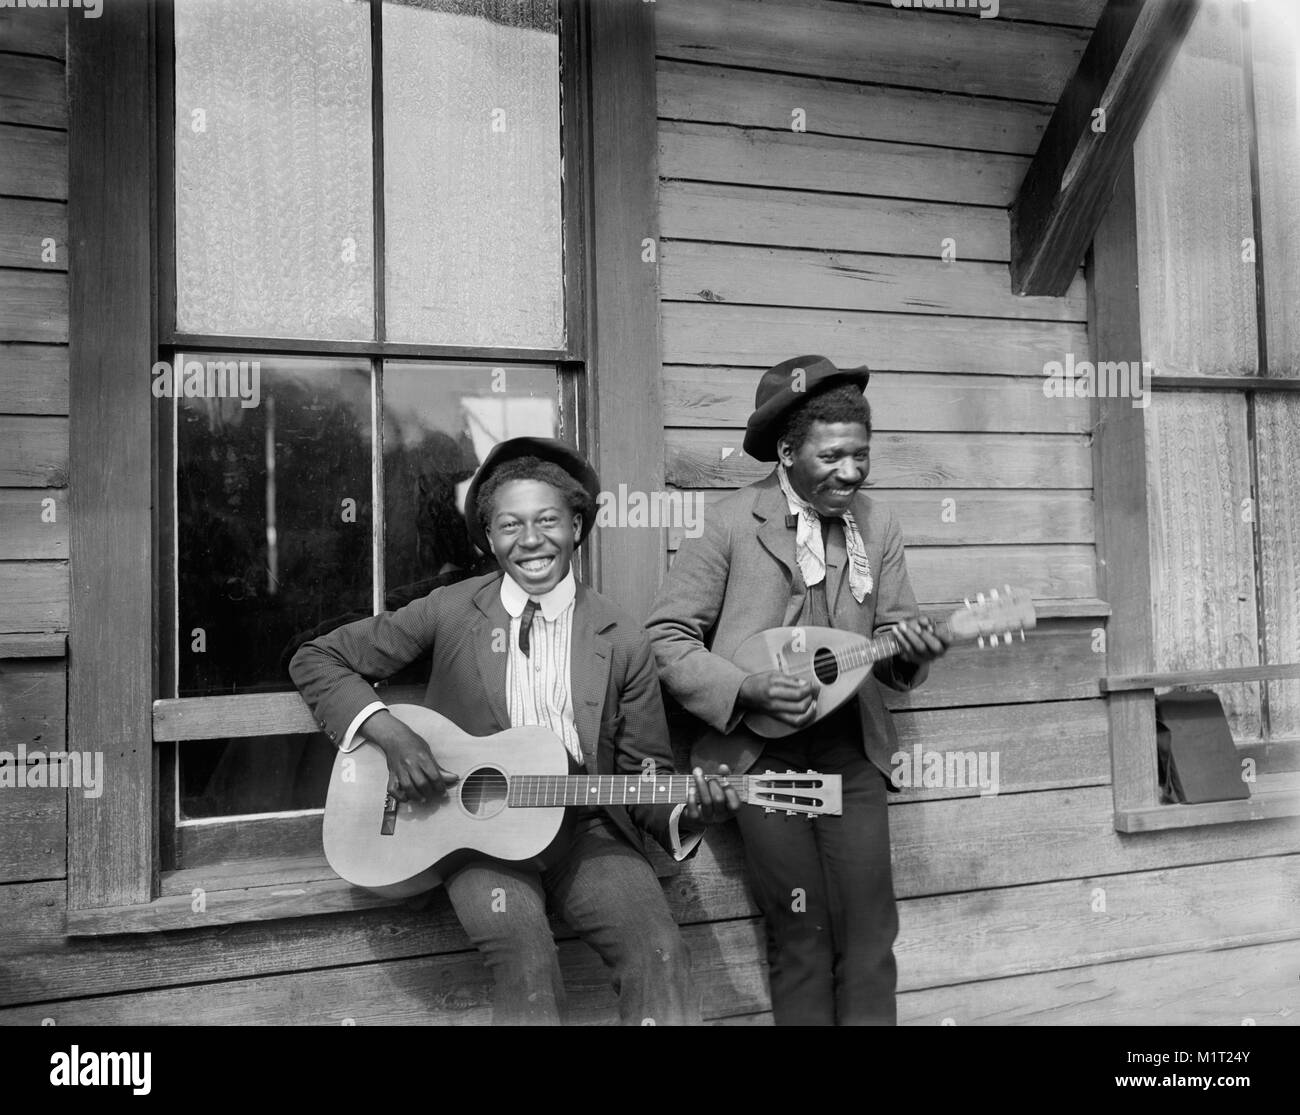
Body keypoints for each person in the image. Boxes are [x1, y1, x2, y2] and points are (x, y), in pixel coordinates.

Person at [291, 437, 738, 1025]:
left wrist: (692, 811)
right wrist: (394, 736)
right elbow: (318, 658)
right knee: (525, 962)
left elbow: (644, 771)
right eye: (510, 525)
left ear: (577, 526)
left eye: (548, 520)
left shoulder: (619, 635)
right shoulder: (450, 609)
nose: (530, 540)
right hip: (474, 833)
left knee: (660, 951)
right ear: (491, 537)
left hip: (587, 826)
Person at [645, 355, 949, 1026]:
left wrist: (913, 652)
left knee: (870, 932)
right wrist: (747, 687)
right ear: (786, 450)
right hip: (760, 757)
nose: (851, 470)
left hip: (851, 751)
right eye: (832, 454)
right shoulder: (728, 523)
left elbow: (893, 639)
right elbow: (666, 637)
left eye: (861, 455)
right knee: (802, 932)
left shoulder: (878, 524)